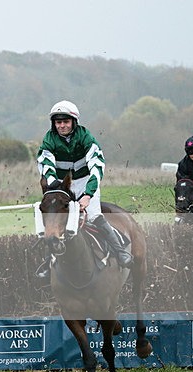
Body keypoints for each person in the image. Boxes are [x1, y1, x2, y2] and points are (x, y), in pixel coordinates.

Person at [35, 100, 133, 277]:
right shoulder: (49, 139)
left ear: (74, 122)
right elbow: (46, 164)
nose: (62, 126)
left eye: (66, 122)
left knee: (94, 216)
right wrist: (55, 187)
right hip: (61, 184)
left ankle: (121, 252)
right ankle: (48, 263)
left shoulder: (86, 137)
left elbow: (96, 166)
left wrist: (88, 194)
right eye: (58, 122)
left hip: (85, 181)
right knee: (54, 220)